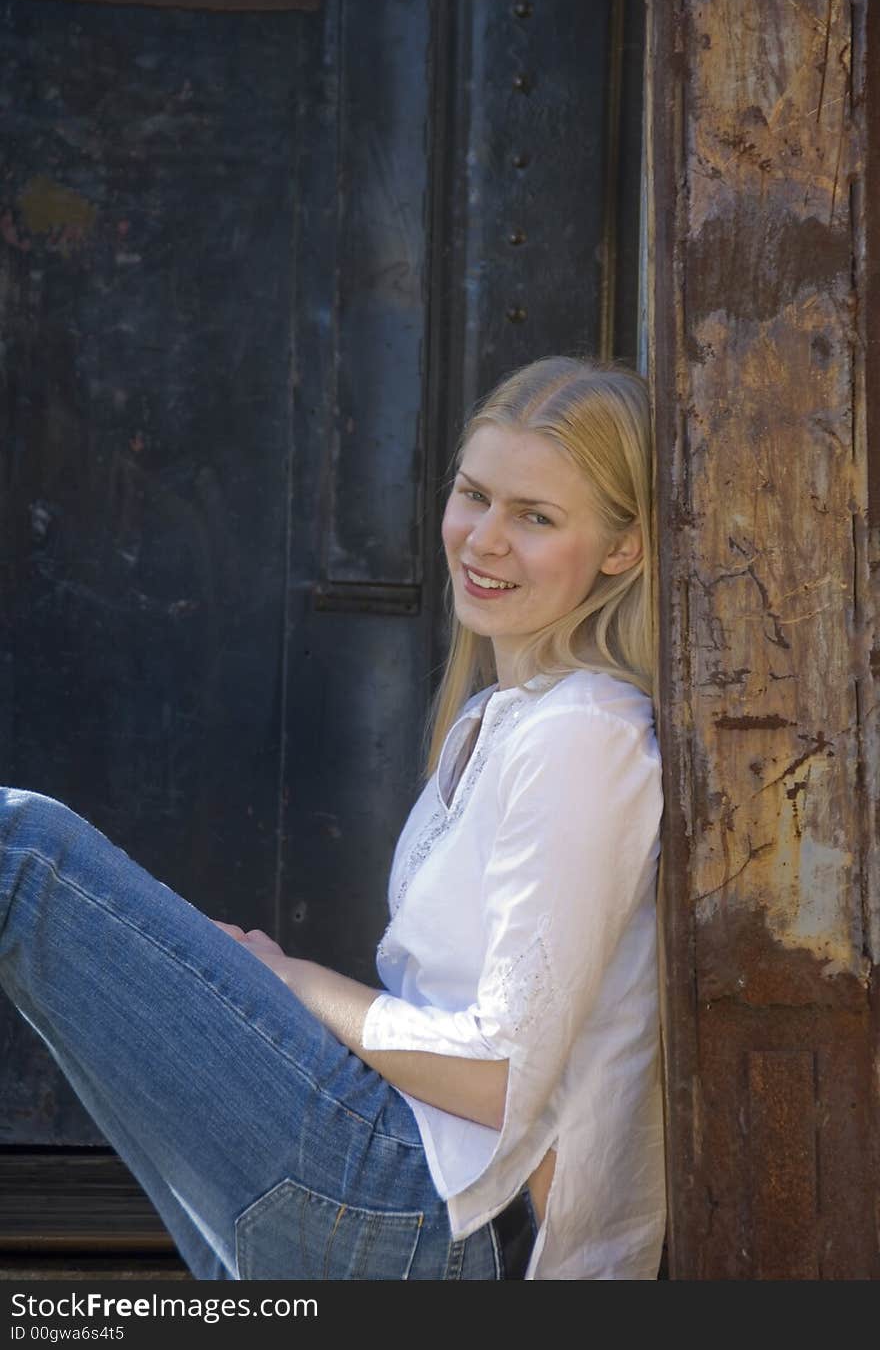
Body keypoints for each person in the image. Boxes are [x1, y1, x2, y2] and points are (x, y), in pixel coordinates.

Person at [0, 355, 665, 1280]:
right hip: (413, 1179)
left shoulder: (586, 732)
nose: (484, 539)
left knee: (20, 851)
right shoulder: (500, 717)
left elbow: (500, 1078)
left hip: (439, 1212)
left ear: (622, 548)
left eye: (537, 516)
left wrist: (291, 979)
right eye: (475, 494)